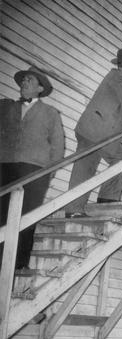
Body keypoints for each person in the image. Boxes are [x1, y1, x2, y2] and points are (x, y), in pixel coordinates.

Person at [65, 47, 122, 218]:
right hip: (97, 132)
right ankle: (104, 200)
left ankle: (77, 209)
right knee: (118, 159)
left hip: (94, 131)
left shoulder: (119, 80)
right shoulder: (117, 78)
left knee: (86, 169)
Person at [0, 66, 64, 269]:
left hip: (35, 170)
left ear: (40, 88)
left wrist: (49, 172)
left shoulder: (50, 113)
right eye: (23, 80)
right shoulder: (7, 107)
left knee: (26, 217)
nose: (24, 83)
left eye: (29, 80)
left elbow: (58, 145)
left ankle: (19, 264)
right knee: (2, 216)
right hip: (5, 166)